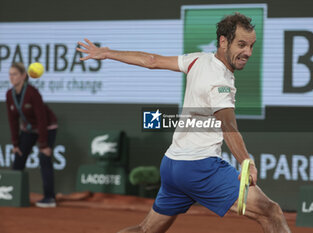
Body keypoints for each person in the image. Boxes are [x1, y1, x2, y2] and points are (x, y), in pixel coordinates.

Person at [77, 13, 291, 233]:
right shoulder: (220, 82)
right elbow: (228, 127)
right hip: (199, 168)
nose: (248, 52)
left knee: (145, 230)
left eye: (251, 45)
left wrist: (107, 53)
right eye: (242, 44)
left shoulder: (199, 59)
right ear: (223, 41)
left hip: (172, 165)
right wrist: (248, 162)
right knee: (270, 211)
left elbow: (151, 61)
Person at [6, 62, 58, 207]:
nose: (11, 77)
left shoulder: (32, 93)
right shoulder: (9, 95)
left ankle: (49, 198)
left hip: (47, 127)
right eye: (10, 74)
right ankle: (11, 194)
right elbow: (13, 121)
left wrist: (44, 145)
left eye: (14, 74)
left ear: (23, 76)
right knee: (18, 158)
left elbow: (42, 119)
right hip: (28, 129)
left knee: (44, 158)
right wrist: (16, 144)